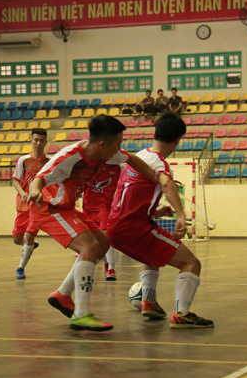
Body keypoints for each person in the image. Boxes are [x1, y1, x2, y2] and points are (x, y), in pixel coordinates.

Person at [27, 114, 158, 331]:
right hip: (48, 207)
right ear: (103, 144)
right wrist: (35, 192)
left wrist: (156, 177)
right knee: (89, 247)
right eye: (118, 144)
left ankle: (62, 294)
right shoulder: (70, 157)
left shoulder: (106, 154)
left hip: (66, 208)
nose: (120, 149)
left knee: (103, 243)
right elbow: (40, 178)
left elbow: (132, 159)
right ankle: (81, 313)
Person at [107, 113, 214, 329]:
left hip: (115, 228)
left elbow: (130, 196)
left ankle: (148, 300)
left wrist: (155, 211)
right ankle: (182, 313)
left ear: (155, 133)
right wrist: (181, 215)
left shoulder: (139, 156)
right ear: (178, 139)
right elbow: (166, 184)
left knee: (151, 255)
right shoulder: (159, 164)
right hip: (133, 229)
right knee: (191, 263)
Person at [11, 128, 51, 279]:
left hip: (39, 207)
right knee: (17, 239)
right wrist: (23, 193)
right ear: (31, 141)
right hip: (23, 205)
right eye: (36, 140)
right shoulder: (24, 160)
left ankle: (20, 268)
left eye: (41, 140)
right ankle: (30, 246)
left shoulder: (50, 161)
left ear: (46, 142)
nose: (38, 143)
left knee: (29, 236)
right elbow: (16, 180)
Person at [82, 163, 122, 281]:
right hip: (87, 208)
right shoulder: (92, 164)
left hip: (104, 207)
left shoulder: (120, 168)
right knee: (91, 240)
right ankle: (105, 263)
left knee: (105, 237)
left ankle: (111, 268)